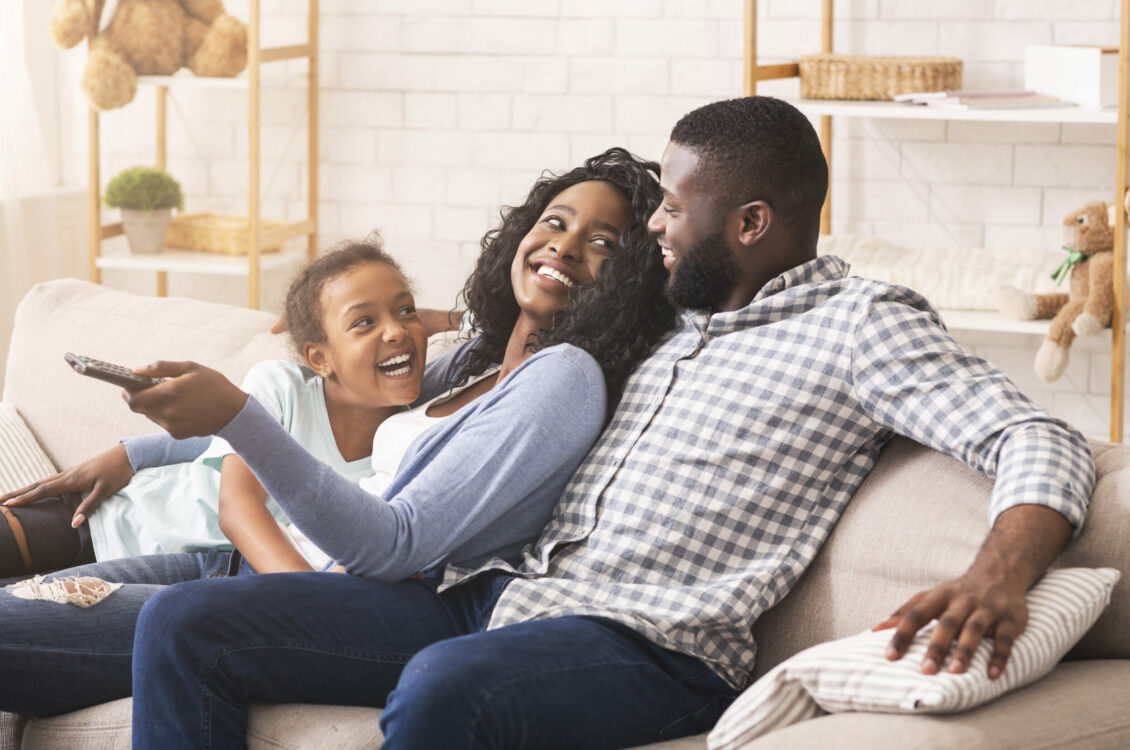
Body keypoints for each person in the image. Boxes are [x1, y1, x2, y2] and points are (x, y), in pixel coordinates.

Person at [36, 99, 1105, 748]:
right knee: (191, 627)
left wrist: (997, 572)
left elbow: (1033, 435)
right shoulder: (650, 320)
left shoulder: (859, 323)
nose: (651, 226)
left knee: (443, 693)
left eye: (670, 206)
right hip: (497, 601)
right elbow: (475, 360)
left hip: (649, 641)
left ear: (750, 222)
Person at [0, 147, 675, 717]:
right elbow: (329, 401)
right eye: (555, 221)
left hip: (330, 599)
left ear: (630, 279)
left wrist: (235, 414)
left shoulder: (566, 378)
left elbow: (396, 541)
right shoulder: (476, 361)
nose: (564, 243)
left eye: (602, 243)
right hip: (236, 563)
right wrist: (136, 448)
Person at [0, 240, 428, 579]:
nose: (396, 331)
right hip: (102, 522)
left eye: (406, 310)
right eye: (365, 321)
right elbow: (238, 509)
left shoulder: (411, 448)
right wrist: (312, 602)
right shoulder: (280, 386)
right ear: (319, 358)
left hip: (164, 576)